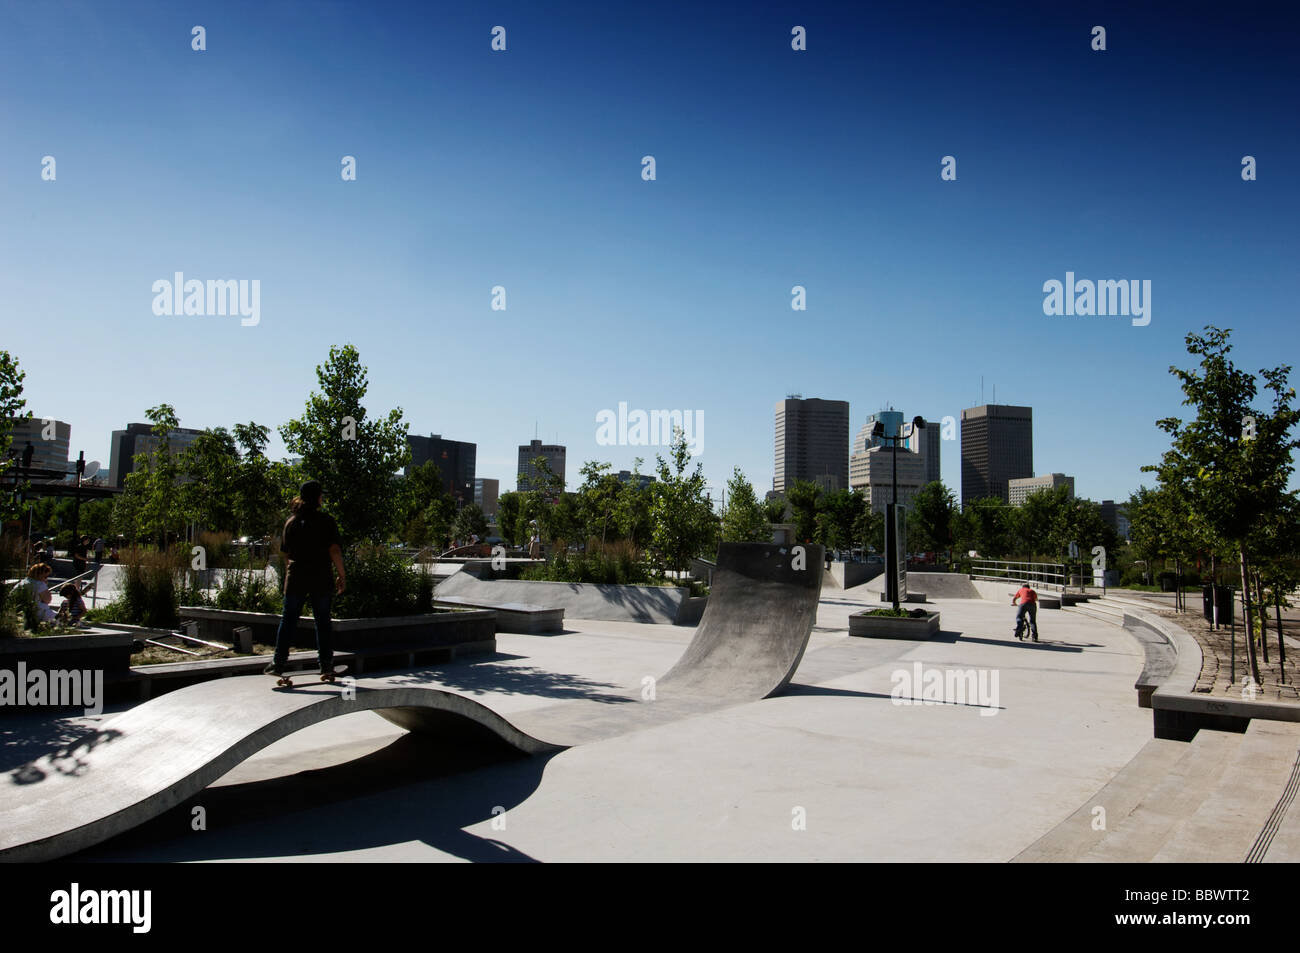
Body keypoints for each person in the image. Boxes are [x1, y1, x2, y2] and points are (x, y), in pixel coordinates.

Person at [266, 480, 346, 679]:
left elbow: (286, 554)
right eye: (321, 495)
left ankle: (278, 663)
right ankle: (326, 665)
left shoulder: (291, 522)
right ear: (318, 498)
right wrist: (342, 575)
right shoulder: (326, 520)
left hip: (297, 577)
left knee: (289, 620)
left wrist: (289, 577)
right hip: (320, 576)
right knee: (323, 622)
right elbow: (334, 550)